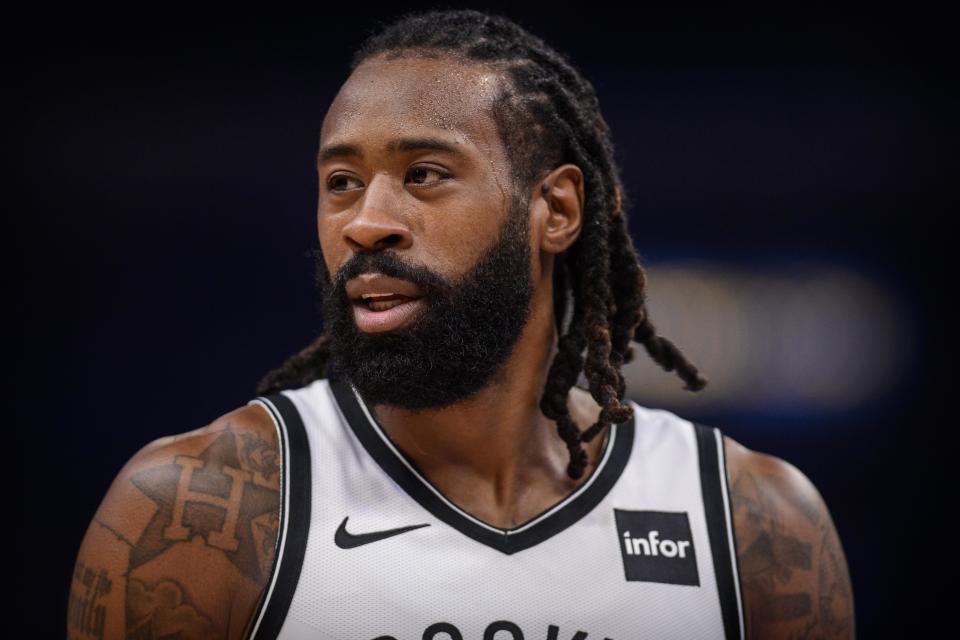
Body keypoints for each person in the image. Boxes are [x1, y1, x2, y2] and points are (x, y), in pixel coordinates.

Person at [67, 9, 855, 640]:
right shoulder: (196, 515)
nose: (367, 221)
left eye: (424, 175)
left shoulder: (754, 525)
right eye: (341, 182)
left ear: (556, 210)